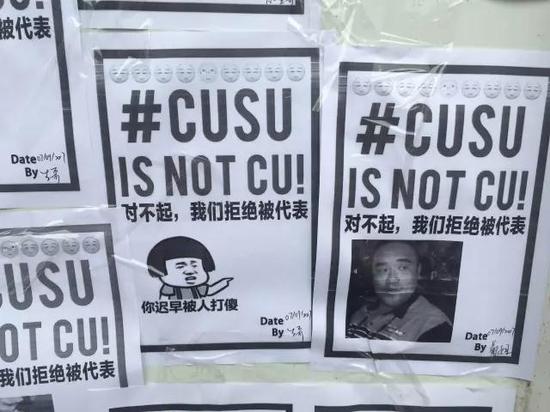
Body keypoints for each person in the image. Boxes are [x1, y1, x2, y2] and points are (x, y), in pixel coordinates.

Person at [347, 241, 452, 342]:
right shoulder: (361, 311)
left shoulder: (435, 327)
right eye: (383, 270)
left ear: (418, 271)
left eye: (403, 268)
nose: (392, 280)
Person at [147, 236, 233, 300]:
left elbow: (210, 290)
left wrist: (224, 282)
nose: (190, 271)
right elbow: (163, 300)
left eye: (194, 265)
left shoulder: (198, 288)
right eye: (180, 266)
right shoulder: (169, 288)